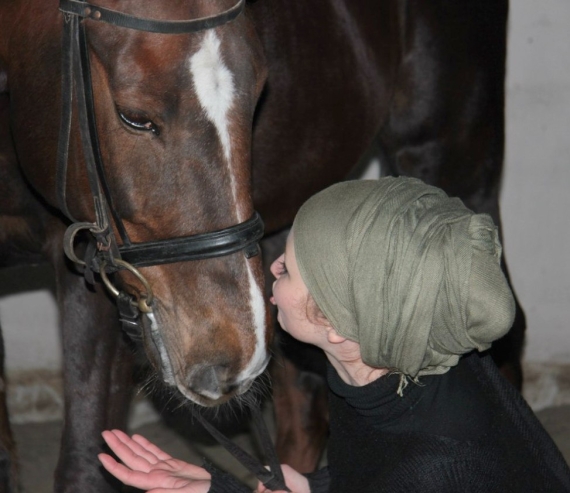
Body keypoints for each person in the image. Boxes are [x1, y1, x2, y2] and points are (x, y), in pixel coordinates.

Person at [98, 177, 570, 492]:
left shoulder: (442, 468)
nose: (275, 266)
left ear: (340, 322)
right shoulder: (388, 366)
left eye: (293, 268)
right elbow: (374, 476)